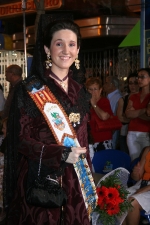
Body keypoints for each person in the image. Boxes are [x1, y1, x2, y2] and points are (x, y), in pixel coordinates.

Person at [4, 17, 97, 225]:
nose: (66, 50)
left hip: (76, 183)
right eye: (58, 43)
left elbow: (83, 140)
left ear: (78, 50)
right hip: (42, 181)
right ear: (47, 49)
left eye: (71, 44)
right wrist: (60, 153)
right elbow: (20, 140)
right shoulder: (30, 89)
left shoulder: (80, 91)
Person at [125, 68, 150, 161]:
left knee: (146, 161)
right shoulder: (134, 96)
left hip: (146, 133)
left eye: (142, 77)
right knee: (134, 161)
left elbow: (149, 117)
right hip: (131, 133)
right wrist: (144, 110)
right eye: (138, 77)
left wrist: (134, 112)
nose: (139, 80)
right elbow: (127, 114)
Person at [123, 146, 150, 225]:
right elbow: (137, 177)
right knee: (119, 197)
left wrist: (147, 188)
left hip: (147, 187)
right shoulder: (147, 150)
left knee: (132, 202)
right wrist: (135, 173)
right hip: (142, 183)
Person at [86, 77, 113, 151]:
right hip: (89, 141)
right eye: (90, 89)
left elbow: (104, 116)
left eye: (95, 89)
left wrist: (94, 104)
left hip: (103, 140)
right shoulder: (85, 103)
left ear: (100, 90)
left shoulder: (104, 101)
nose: (92, 92)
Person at [117, 73, 139, 154]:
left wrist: (129, 116)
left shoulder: (144, 97)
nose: (133, 85)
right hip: (124, 133)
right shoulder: (123, 99)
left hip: (140, 132)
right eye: (130, 83)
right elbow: (120, 118)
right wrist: (134, 116)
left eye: (135, 83)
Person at [103, 76, 122, 149]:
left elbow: (114, 114)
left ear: (112, 84)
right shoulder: (109, 96)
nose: (104, 85)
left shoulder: (117, 97)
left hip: (112, 129)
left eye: (106, 83)